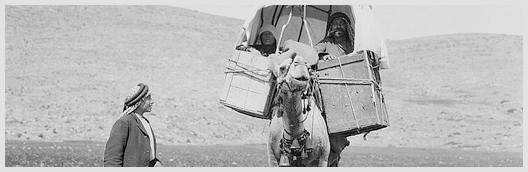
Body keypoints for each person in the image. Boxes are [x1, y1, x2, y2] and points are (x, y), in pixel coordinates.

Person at [314, 12, 355, 167]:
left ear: (347, 26)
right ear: (330, 28)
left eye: (341, 23)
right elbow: (314, 52)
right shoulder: (327, 42)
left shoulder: (352, 44)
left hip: (345, 92)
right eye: (335, 24)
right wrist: (323, 57)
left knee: (338, 131)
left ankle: (333, 159)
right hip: (325, 90)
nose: (338, 27)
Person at [104, 83, 162, 167]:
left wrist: (155, 162)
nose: (152, 102)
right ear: (140, 101)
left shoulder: (145, 122)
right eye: (148, 98)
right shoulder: (124, 122)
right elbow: (112, 159)